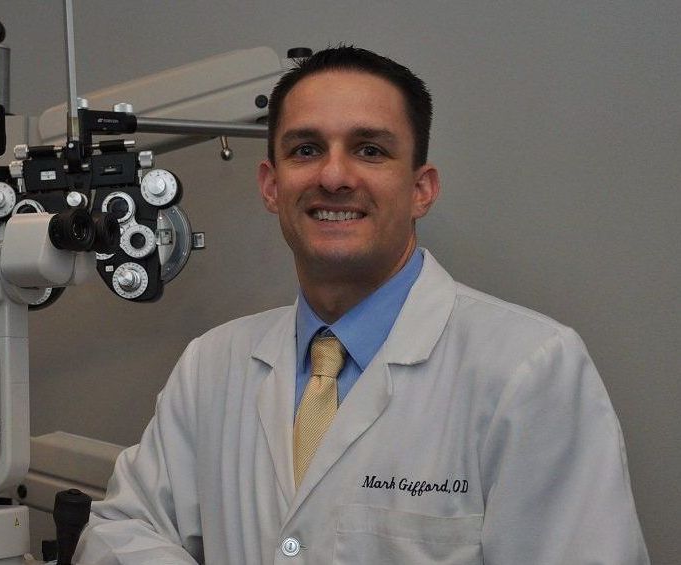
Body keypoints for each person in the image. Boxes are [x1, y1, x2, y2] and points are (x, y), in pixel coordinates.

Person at [75, 46, 649, 564]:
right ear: (271, 186)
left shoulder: (530, 370)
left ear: (421, 189)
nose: (333, 176)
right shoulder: (212, 364)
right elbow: (124, 529)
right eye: (306, 149)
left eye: (370, 150)